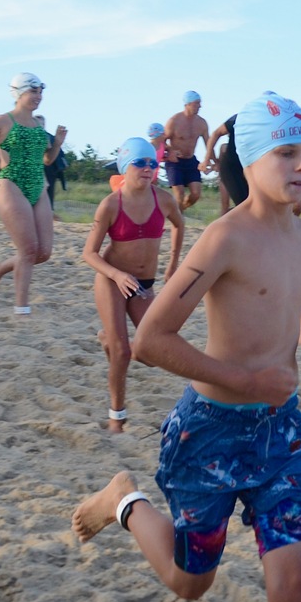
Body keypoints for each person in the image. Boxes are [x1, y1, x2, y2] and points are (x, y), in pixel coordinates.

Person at [71, 91, 301, 602]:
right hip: (210, 430)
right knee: (192, 581)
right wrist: (246, 379)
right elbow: (153, 340)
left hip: (281, 432)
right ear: (250, 159)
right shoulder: (223, 238)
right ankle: (124, 499)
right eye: (286, 153)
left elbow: (283, 296)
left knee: (293, 580)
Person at [82, 137, 185, 432]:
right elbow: (88, 253)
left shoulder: (163, 199)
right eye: (140, 163)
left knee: (154, 351)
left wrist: (173, 262)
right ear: (125, 167)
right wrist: (116, 275)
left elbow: (180, 225)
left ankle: (109, 341)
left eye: (153, 163)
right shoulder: (110, 205)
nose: (148, 168)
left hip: (143, 284)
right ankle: (117, 419)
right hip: (112, 280)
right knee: (123, 353)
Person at [0, 73, 66, 315]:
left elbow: (46, 160)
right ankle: (22, 308)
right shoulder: (1, 121)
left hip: (36, 186)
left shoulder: (38, 126)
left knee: (43, 253)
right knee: (28, 250)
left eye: (40, 92)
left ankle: (1, 267)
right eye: (33, 92)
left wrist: (58, 143)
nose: (38, 97)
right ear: (18, 93)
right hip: (9, 182)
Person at [162, 91, 209, 212]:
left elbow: (209, 143)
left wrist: (211, 161)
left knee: (196, 194)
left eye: (200, 103)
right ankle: (178, 222)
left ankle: (177, 213)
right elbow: (161, 141)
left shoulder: (202, 123)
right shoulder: (174, 121)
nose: (199, 106)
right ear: (187, 104)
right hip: (175, 162)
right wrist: (170, 150)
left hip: (191, 161)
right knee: (179, 195)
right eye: (196, 103)